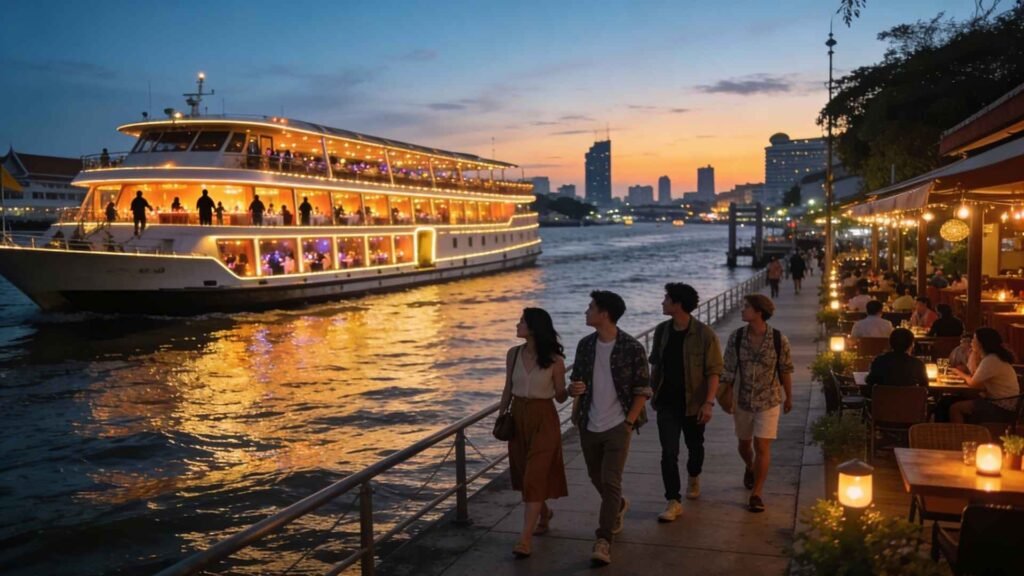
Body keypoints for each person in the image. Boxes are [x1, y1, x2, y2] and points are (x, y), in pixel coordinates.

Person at [568, 290, 651, 566]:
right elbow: (575, 381)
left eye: (591, 307)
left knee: (611, 480)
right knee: (597, 477)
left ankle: (603, 541)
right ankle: (617, 506)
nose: (586, 311)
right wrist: (573, 389)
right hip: (588, 424)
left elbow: (642, 389)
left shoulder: (632, 348)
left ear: (604, 314)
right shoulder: (585, 345)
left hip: (618, 425)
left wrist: (629, 422)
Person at [648, 283, 723, 522]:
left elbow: (713, 372)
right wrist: (651, 392)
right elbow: (656, 365)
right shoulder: (661, 331)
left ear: (678, 304)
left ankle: (694, 474)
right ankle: (673, 500)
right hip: (667, 403)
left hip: (694, 403)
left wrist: (709, 403)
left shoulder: (704, 334)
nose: (662, 302)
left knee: (695, 446)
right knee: (668, 452)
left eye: (666, 299)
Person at [499, 308, 569, 558]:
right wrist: (501, 416)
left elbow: (560, 397)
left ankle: (525, 540)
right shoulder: (513, 354)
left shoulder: (554, 361)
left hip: (544, 418)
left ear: (534, 327)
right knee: (524, 473)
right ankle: (544, 512)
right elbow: (508, 387)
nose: (517, 325)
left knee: (535, 475)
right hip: (518, 416)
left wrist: (570, 390)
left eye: (522, 322)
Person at [721, 294, 794, 513]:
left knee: (762, 445)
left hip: (769, 400)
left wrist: (789, 396)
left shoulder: (779, 340)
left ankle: (757, 493)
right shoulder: (736, 338)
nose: (742, 310)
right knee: (745, 445)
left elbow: (785, 369)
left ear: (759, 312)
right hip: (742, 400)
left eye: (746, 307)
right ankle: (749, 466)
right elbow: (727, 370)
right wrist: (716, 396)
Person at [950, 328, 1019, 424]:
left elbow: (973, 383)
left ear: (981, 343)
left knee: (956, 408)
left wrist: (958, 372)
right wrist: (974, 353)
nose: (971, 342)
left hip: (1001, 407)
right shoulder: (992, 358)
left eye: (974, 339)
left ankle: (961, 436)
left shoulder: (991, 360)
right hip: (1001, 402)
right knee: (956, 399)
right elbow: (977, 380)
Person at [863, 328, 929, 396]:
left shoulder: (880, 361)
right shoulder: (917, 364)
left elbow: (869, 381)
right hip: (909, 404)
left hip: (884, 404)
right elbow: (924, 386)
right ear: (911, 345)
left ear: (890, 343)